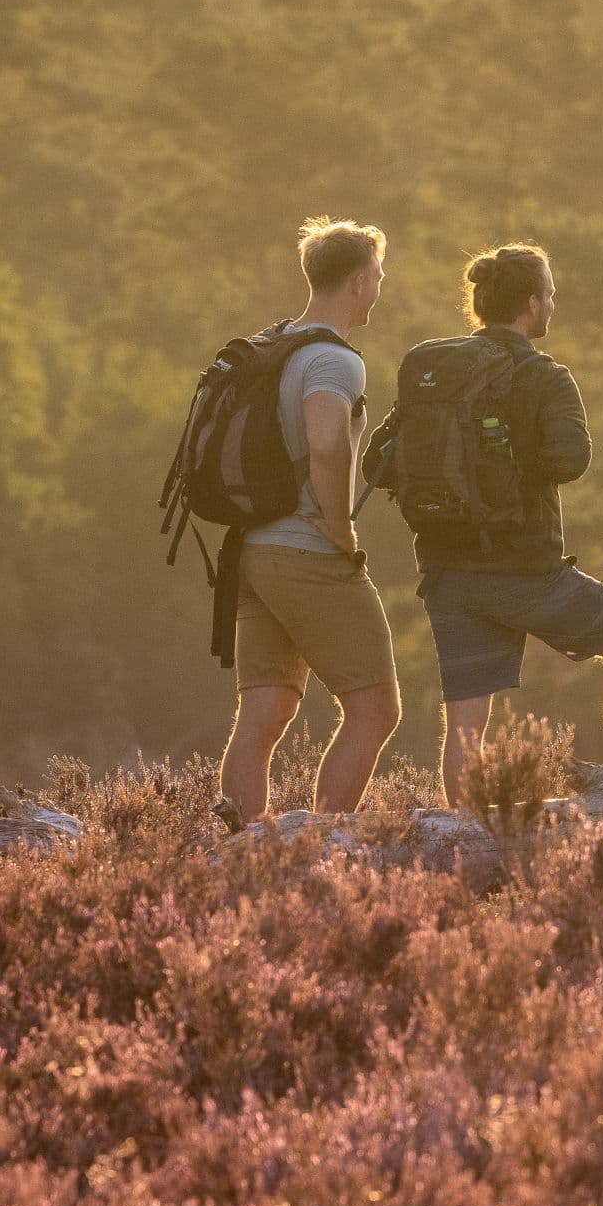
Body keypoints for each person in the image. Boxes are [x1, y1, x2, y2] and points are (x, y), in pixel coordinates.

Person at [410, 243, 603, 806]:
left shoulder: (433, 365)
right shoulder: (545, 376)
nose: (552, 303)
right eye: (549, 294)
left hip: (448, 568)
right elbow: (570, 461)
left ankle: (463, 843)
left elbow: (383, 456)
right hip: (526, 568)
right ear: (530, 303)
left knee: (465, 721)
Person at [215, 217, 403, 828]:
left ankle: (239, 847)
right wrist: (341, 530)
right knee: (376, 708)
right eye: (376, 275)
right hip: (306, 550)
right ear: (355, 282)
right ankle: (321, 847)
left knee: (262, 713)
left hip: (251, 550)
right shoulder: (334, 361)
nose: (379, 286)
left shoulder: (275, 345)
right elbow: (328, 444)